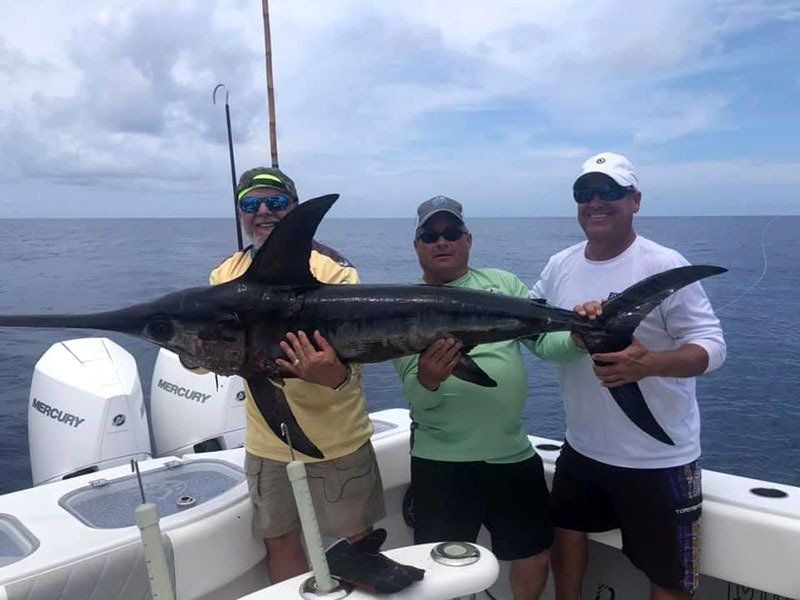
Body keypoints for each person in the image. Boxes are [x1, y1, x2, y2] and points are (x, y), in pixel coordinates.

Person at [531, 153, 726, 599]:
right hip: (581, 448)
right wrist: (573, 338)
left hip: (658, 459)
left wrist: (652, 363)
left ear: (635, 201)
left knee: (669, 576)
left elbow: (713, 348)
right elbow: (537, 334)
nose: (595, 201)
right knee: (566, 540)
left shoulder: (662, 263)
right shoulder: (559, 265)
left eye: (610, 191)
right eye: (585, 193)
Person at [394, 196, 584, 600]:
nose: (441, 241)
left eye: (451, 233)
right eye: (430, 235)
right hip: (441, 461)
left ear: (468, 240)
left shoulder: (503, 284)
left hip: (510, 452)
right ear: (417, 246)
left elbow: (548, 345)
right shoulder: (402, 305)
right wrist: (429, 379)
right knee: (439, 567)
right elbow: (416, 395)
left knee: (534, 555)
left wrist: (580, 337)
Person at [208, 167, 385, 584]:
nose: (263, 211)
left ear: (295, 208)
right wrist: (191, 354)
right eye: (251, 204)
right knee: (281, 540)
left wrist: (332, 374)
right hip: (268, 443)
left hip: (337, 440)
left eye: (276, 202)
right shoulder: (224, 275)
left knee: (357, 544)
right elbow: (208, 351)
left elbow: (354, 364)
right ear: (240, 214)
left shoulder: (335, 271)